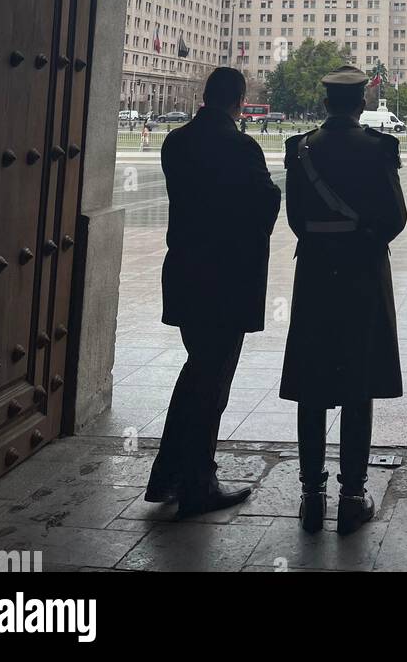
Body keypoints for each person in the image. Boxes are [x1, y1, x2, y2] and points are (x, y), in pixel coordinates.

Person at [144, 67, 281, 517]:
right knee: (211, 383)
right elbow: (264, 208)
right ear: (239, 101)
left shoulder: (175, 142)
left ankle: (168, 474)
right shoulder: (243, 148)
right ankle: (197, 482)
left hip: (185, 272)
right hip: (226, 281)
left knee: (197, 372)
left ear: (205, 96)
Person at [280, 65, 407, 537]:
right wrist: (364, 238)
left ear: (326, 102)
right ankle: (352, 495)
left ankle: (311, 494)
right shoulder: (378, 149)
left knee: (311, 384)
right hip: (361, 274)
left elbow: (294, 217)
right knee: (359, 381)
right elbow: (395, 217)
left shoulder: (302, 148)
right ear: (360, 103)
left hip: (315, 272)